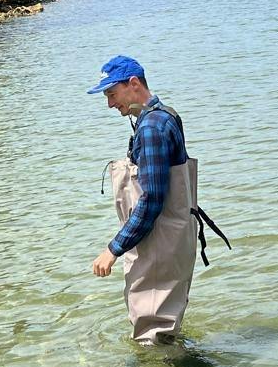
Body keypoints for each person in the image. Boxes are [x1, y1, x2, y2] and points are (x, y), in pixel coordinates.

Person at [88, 55, 214, 344]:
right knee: (163, 326)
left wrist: (113, 249)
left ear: (134, 84)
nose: (109, 104)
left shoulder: (151, 128)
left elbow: (153, 199)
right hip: (170, 238)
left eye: (112, 93)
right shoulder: (163, 114)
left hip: (160, 242)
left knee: (153, 338)